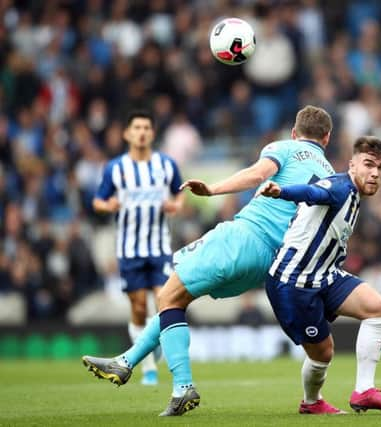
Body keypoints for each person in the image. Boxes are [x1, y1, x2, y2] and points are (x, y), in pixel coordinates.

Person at [82, 105, 336, 416]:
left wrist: (213, 189)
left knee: (170, 296)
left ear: (295, 133)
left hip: (243, 238)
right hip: (269, 263)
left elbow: (257, 174)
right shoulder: (330, 176)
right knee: (175, 297)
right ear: (327, 138)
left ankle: (182, 387)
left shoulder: (284, 147)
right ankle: (126, 362)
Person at [259, 136, 381, 414]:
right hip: (294, 283)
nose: (375, 173)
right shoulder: (339, 186)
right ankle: (311, 402)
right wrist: (281, 191)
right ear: (352, 164)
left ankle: (365, 391)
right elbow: (314, 192)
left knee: (378, 309)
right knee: (323, 352)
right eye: (369, 164)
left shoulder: (353, 195)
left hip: (325, 275)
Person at [92, 110, 184, 386]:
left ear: (152, 133)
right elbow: (98, 200)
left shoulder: (166, 165)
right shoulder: (115, 168)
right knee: (138, 307)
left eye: (146, 127)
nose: (142, 132)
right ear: (127, 134)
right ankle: (148, 365)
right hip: (129, 250)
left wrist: (176, 205)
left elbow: (180, 192)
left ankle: (150, 362)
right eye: (137, 128)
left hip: (159, 247)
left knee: (163, 300)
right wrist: (108, 205)